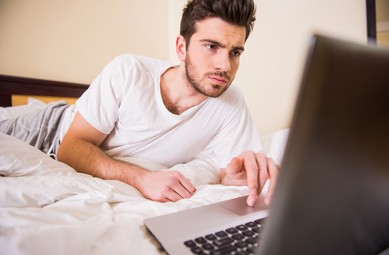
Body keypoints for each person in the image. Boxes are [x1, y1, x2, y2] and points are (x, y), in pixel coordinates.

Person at [0, 0, 278, 206]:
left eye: (235, 52)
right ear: (182, 48)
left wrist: (246, 173)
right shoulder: (129, 71)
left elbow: (228, 176)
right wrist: (142, 178)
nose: (224, 65)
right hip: (50, 128)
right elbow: (70, 147)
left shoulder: (231, 103)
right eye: (211, 46)